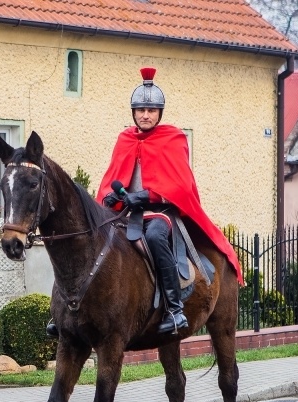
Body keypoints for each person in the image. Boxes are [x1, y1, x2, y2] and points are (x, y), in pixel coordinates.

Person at [95, 67, 243, 334]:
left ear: (159, 113)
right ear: (133, 112)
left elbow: (181, 186)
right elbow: (114, 176)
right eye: (141, 110)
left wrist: (146, 195)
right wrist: (111, 195)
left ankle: (174, 309)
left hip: (162, 213)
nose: (146, 115)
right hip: (127, 213)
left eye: (151, 110)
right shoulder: (125, 139)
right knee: (94, 239)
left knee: (154, 237)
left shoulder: (173, 138)